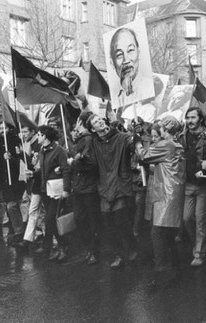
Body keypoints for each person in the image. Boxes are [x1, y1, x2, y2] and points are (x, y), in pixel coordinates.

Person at [135, 116, 186, 281]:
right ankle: (175, 269)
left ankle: (161, 271)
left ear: (165, 130)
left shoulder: (166, 144)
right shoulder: (176, 144)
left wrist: (137, 141)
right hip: (172, 192)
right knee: (167, 235)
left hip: (166, 194)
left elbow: (144, 155)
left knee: (157, 233)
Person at [88, 115, 137, 268]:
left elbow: (133, 147)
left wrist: (135, 139)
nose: (100, 121)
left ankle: (131, 248)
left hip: (119, 184)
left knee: (121, 221)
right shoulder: (94, 142)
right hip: (104, 187)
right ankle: (118, 255)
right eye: (95, 122)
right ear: (92, 129)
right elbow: (90, 162)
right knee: (108, 224)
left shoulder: (122, 137)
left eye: (100, 119)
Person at [29, 125, 71, 262]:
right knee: (51, 218)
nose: (38, 137)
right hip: (45, 189)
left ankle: (56, 246)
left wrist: (66, 189)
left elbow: (65, 170)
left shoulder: (59, 150)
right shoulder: (42, 150)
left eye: (40, 135)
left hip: (56, 190)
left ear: (45, 136)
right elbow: (42, 170)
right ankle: (58, 246)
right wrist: (33, 173)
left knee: (50, 218)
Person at [179, 106, 206, 266]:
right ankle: (197, 243)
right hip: (187, 184)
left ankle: (199, 253)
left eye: (193, 117)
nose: (190, 121)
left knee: (200, 220)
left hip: (203, 186)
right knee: (186, 218)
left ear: (200, 119)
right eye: (188, 118)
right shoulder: (181, 137)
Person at [67, 112, 101, 265]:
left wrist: (72, 162)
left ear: (80, 122)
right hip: (80, 187)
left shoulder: (87, 140)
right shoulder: (81, 140)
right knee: (80, 219)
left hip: (88, 187)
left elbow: (90, 163)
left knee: (90, 220)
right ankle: (90, 249)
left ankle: (93, 250)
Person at [109, 27, 154, 109]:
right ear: (112, 63)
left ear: (139, 53)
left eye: (130, 50)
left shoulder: (150, 88)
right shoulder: (113, 99)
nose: (126, 60)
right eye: (119, 55)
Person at [0, 123, 26, 246]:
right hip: (5, 179)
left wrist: (11, 159)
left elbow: (23, 161)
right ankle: (16, 229)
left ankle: (20, 231)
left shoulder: (16, 141)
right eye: (0, 128)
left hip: (16, 179)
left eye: (4, 127)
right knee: (8, 206)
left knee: (12, 206)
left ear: (10, 128)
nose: (2, 130)